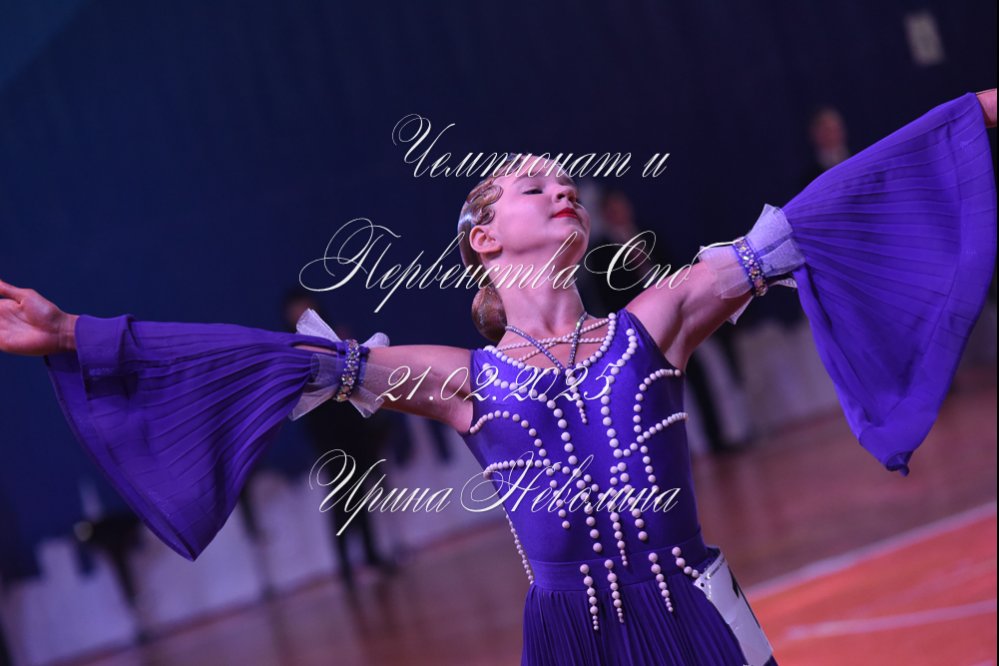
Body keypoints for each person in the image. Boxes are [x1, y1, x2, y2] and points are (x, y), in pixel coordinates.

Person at [0, 90, 995, 666]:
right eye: (533, 185)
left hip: (696, 613)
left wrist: (971, 119)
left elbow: (818, 214)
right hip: (571, 639)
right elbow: (265, 361)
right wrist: (75, 333)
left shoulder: (656, 321)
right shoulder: (461, 380)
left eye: (567, 182)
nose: (563, 189)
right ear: (483, 238)